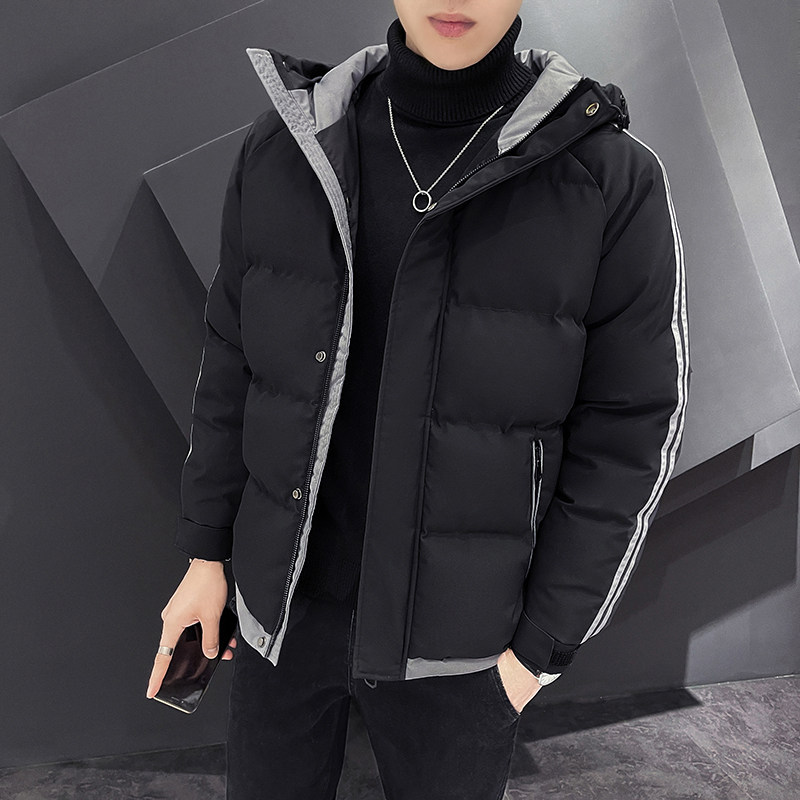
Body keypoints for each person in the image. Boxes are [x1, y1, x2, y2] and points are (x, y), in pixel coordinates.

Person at [147, 1, 690, 797]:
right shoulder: (287, 147)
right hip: (281, 615)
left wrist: (539, 650)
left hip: (464, 650)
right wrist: (206, 554)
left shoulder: (609, 179)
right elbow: (233, 363)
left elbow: (631, 429)